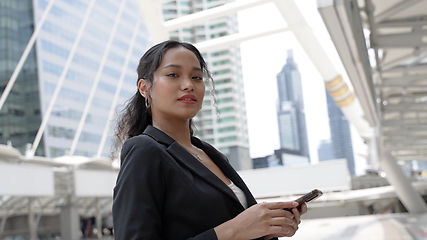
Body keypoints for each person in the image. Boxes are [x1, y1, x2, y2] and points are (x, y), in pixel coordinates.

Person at [112, 40, 307, 240]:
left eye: (196, 77)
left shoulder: (209, 153)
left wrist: (265, 229)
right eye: (173, 75)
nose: (188, 85)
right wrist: (235, 230)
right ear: (144, 88)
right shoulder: (143, 150)